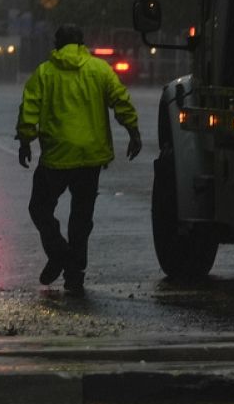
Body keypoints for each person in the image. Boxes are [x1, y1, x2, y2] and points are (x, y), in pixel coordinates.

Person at [16, 25, 141, 295]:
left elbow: (29, 109)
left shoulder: (45, 73)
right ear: (82, 43)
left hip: (57, 156)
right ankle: (75, 271)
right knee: (82, 216)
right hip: (90, 156)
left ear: (57, 45)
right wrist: (133, 131)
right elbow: (121, 100)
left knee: (40, 208)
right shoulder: (99, 70)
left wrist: (25, 141)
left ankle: (59, 251)